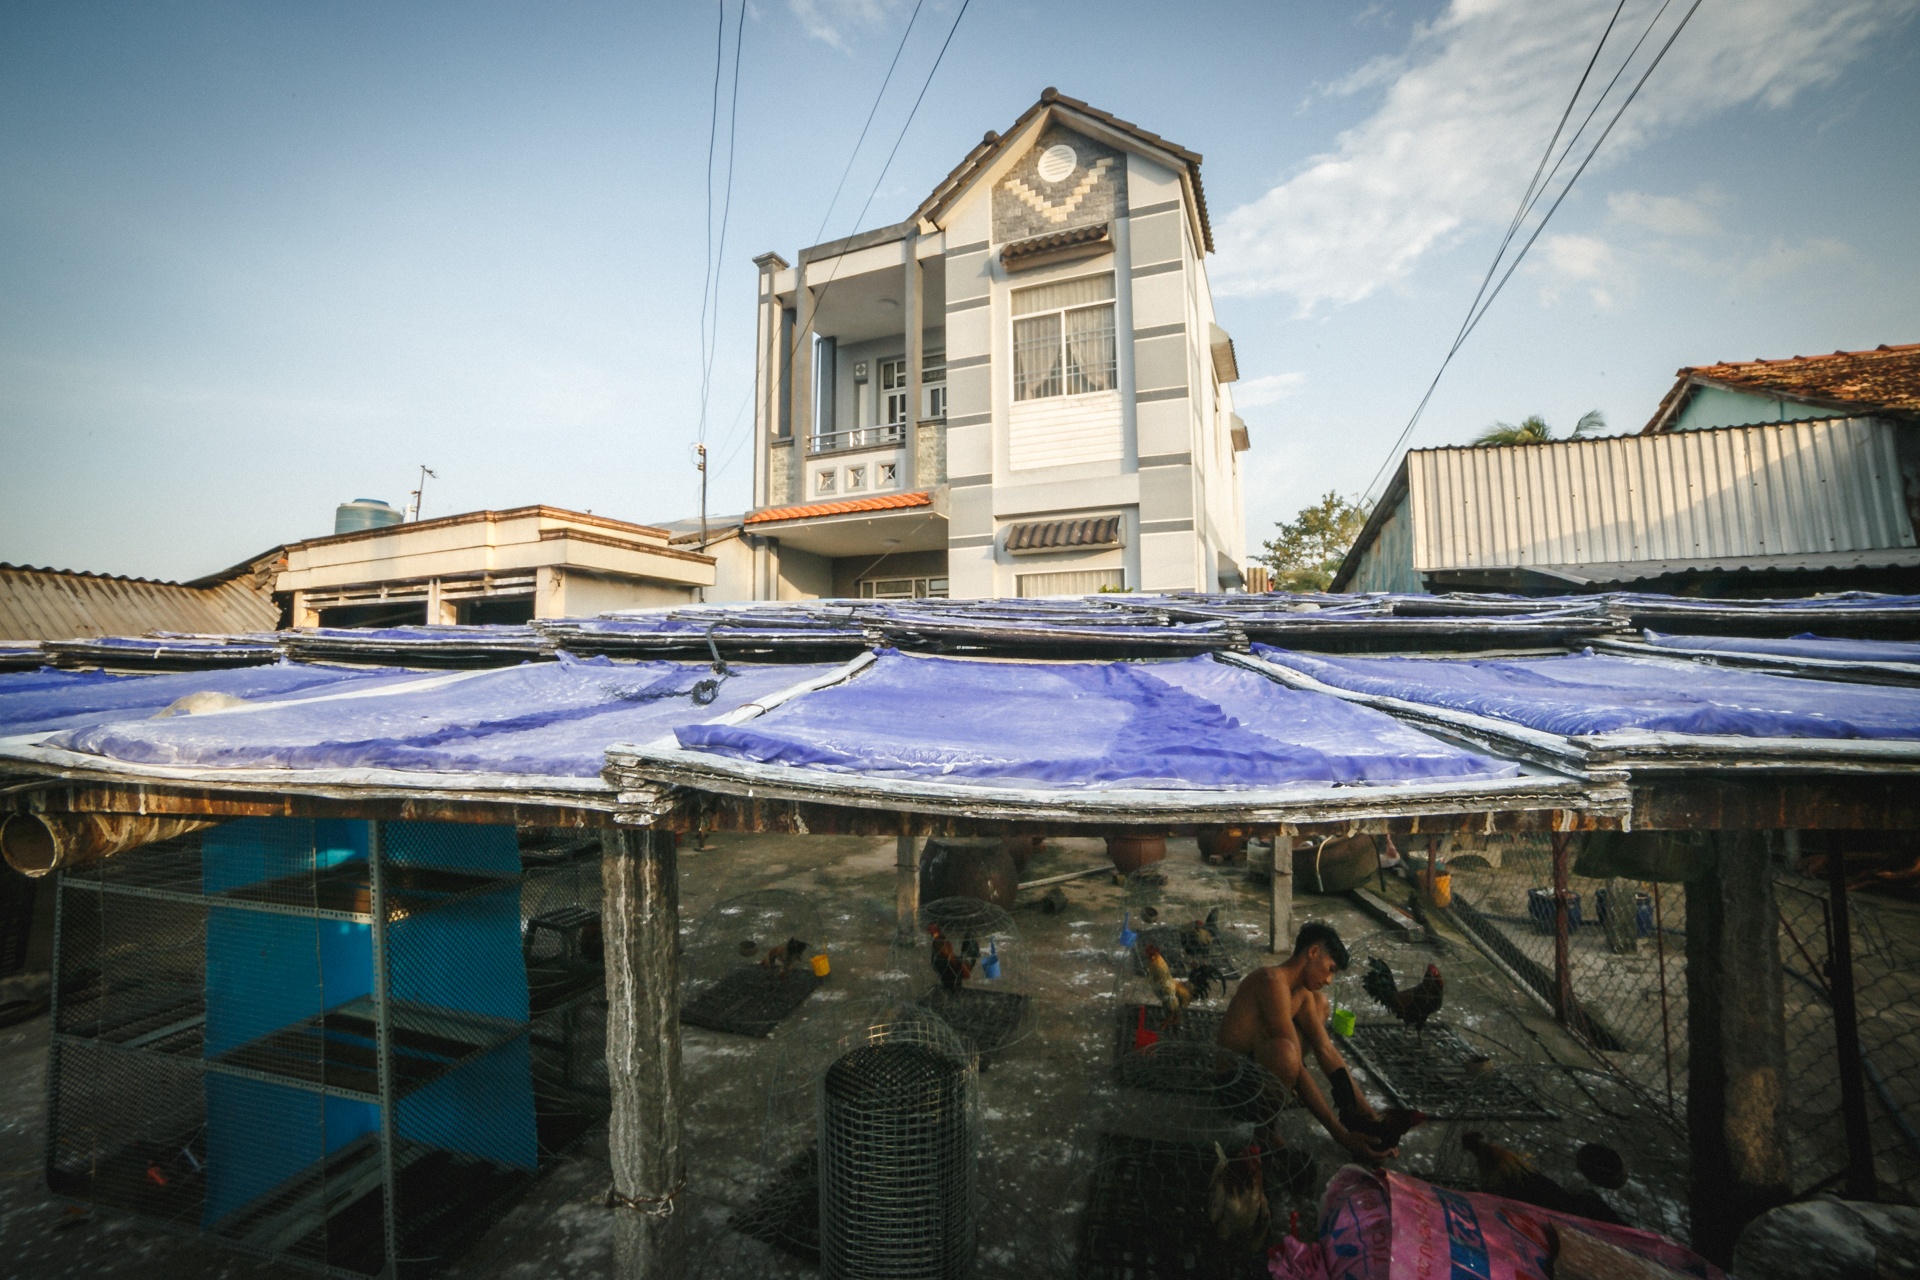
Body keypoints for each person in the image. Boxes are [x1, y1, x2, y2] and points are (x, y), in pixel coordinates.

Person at [1215, 920, 1394, 1163]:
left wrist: (1368, 1115)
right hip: (1233, 1087)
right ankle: (1264, 1133)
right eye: (1330, 968)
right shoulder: (1272, 982)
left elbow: (1326, 1050)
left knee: (1319, 1004)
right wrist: (1341, 1136)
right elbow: (1295, 1064)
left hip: (1257, 1067)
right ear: (1313, 952)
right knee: (1286, 1053)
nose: (1330, 979)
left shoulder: (1299, 992)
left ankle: (1286, 1086)